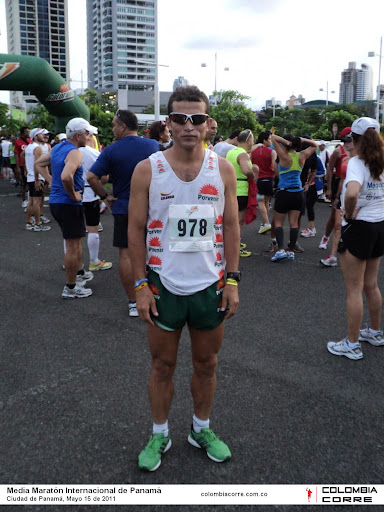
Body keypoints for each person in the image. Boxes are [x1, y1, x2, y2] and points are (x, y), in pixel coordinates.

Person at [128, 85, 240, 472]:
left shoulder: (222, 168)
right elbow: (136, 230)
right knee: (162, 365)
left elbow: (231, 224)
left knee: (207, 363)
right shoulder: (149, 169)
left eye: (197, 118)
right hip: (164, 285)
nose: (188, 126)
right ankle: (159, 432)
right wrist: (140, 286)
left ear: (208, 124)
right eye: (180, 118)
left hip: (210, 285)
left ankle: (200, 428)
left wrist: (234, 280)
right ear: (169, 123)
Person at [87, 109, 159, 317]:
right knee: (154, 251)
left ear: (123, 127)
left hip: (124, 207)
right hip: (151, 207)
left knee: (127, 254)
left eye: (113, 125)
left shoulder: (111, 150)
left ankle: (134, 302)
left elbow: (92, 176)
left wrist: (104, 196)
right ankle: (155, 296)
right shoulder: (153, 145)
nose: (112, 129)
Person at [327, 117, 384, 360]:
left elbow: (350, 194)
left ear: (355, 140)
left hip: (361, 226)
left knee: (354, 289)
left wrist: (349, 215)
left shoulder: (356, 163)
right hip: (380, 226)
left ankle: (351, 344)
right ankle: (374, 331)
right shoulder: (381, 161)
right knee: (371, 284)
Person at [35, 117, 96, 299]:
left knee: (75, 242)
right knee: (72, 245)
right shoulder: (76, 153)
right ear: (78, 135)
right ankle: (70, 287)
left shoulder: (58, 147)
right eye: (87, 133)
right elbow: (66, 176)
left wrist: (50, 181)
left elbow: (39, 163)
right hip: (68, 203)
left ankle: (78, 274)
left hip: (57, 202)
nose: (89, 136)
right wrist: (72, 195)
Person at [270, 134, 317, 262]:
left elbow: (273, 137)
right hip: (298, 193)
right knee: (294, 223)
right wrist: (301, 140)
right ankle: (290, 251)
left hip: (284, 193)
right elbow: (315, 144)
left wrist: (287, 142)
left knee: (279, 222)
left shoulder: (284, 156)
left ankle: (280, 250)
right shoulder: (301, 156)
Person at [79, 127, 112, 272]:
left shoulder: (67, 152)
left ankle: (72, 261)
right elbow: (105, 176)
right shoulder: (94, 153)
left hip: (71, 194)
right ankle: (94, 261)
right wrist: (99, 187)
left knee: (72, 233)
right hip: (90, 193)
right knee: (92, 228)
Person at [320, 133, 355, 267]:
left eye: (349, 141)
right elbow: (336, 174)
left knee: (353, 226)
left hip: (357, 197)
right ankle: (332, 254)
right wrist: (334, 194)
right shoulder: (340, 155)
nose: (346, 144)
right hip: (342, 193)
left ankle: (355, 255)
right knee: (337, 223)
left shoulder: (364, 158)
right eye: (344, 141)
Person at [226, 130, 257, 257]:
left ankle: (231, 244)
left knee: (231, 220)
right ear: (249, 140)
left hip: (230, 188)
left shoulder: (231, 152)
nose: (253, 142)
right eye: (253, 140)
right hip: (241, 190)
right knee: (238, 222)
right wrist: (253, 174)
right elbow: (246, 170)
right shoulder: (243, 155)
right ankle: (236, 247)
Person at [24, 128, 51, 232]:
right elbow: (37, 164)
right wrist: (37, 179)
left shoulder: (29, 147)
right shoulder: (38, 148)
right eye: (41, 134)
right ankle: (38, 224)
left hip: (31, 176)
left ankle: (29, 222)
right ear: (35, 136)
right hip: (36, 177)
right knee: (36, 201)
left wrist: (27, 171)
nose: (44, 136)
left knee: (31, 200)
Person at [251, 131, 276, 234]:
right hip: (269, 179)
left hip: (258, 179)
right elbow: (274, 167)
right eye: (269, 139)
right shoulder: (272, 152)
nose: (271, 141)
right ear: (264, 140)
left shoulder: (253, 152)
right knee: (266, 202)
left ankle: (266, 223)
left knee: (260, 202)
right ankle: (263, 224)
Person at [14, 126, 31, 208]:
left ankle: (30, 199)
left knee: (31, 182)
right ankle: (24, 200)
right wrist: (17, 166)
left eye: (29, 131)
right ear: (22, 133)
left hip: (30, 164)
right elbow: (16, 154)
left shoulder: (30, 141)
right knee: (23, 183)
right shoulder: (18, 142)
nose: (28, 133)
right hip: (22, 165)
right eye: (26, 131)